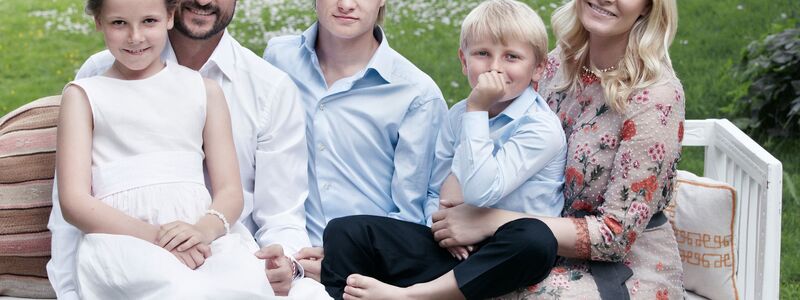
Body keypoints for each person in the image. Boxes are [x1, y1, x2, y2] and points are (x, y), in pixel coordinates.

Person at [46, 0, 325, 298]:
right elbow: (70, 204)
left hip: (206, 241)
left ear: (167, 15)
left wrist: (284, 263)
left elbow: (264, 206)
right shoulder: (91, 83)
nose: (135, 36)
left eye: (148, 22)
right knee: (177, 288)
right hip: (125, 242)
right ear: (99, 22)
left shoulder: (239, 90)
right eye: (119, 23)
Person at [431, 0, 685, 298]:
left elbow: (615, 236)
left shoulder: (656, 98)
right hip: (524, 244)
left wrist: (487, 220)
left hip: (618, 268)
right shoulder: (555, 64)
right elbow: (492, 147)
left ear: (648, 6)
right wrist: (452, 207)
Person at [320, 1, 566, 299]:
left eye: (512, 56)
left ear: (539, 67)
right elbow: (437, 192)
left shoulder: (540, 127)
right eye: (482, 54)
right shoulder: (457, 115)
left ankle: (414, 295)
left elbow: (480, 191)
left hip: (505, 253)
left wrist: (477, 110)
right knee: (345, 232)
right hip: (455, 249)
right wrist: (442, 229)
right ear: (464, 61)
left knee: (536, 239)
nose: (495, 67)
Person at [263, 0, 448, 286]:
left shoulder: (417, 94)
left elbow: (411, 213)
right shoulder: (278, 58)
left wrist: (342, 258)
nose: (346, 4)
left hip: (368, 272)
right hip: (286, 250)